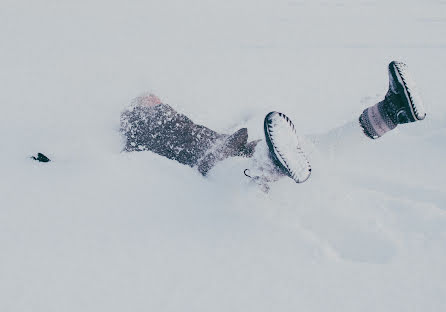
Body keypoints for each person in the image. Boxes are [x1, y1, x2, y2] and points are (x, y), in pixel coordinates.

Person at [120, 61, 426, 187]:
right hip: (212, 159)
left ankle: (388, 113)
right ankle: (270, 166)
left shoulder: (163, 124)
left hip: (228, 147)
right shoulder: (144, 128)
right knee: (307, 151)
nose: (156, 99)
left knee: (312, 150)